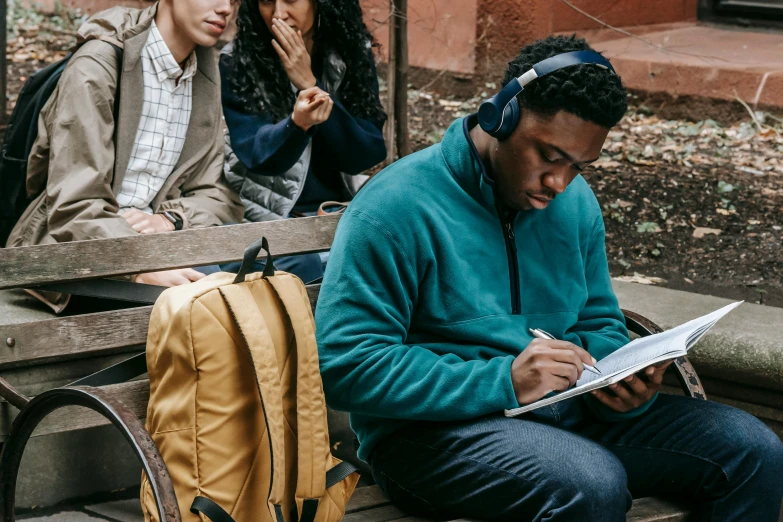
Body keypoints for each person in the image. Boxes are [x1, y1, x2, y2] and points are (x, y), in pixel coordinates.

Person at [315, 35, 783, 521]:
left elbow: (600, 322)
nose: (559, 184)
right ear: (500, 117)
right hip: (430, 436)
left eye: (579, 167)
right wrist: (503, 380)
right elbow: (347, 366)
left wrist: (620, 386)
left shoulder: (575, 206)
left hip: (568, 418)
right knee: (588, 481)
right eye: (549, 156)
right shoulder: (396, 207)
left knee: (751, 450)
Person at [5, 0, 245, 312]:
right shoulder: (99, 64)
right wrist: (139, 266)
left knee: (281, 270)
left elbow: (217, 195)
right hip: (77, 256)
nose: (226, 8)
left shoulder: (203, 73)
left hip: (161, 249)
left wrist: (170, 219)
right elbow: (75, 207)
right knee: (217, 302)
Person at [219, 0, 387, 283]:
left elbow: (367, 152)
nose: (279, 14)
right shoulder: (239, 58)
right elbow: (258, 156)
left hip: (336, 212)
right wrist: (297, 125)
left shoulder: (349, 51)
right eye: (266, 2)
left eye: (292, 0)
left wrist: (310, 84)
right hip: (267, 215)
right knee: (305, 266)